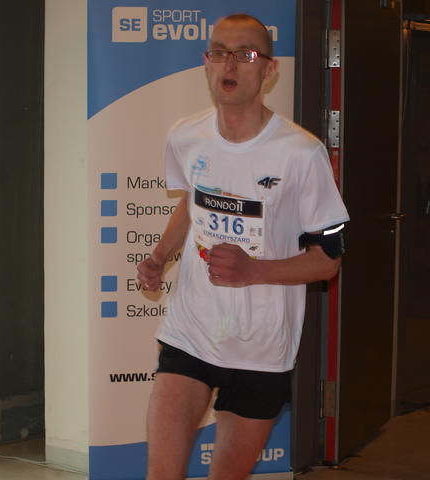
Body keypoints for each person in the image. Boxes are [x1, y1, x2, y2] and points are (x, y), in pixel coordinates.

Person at [137, 13, 349, 480]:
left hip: (261, 350)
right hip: (190, 334)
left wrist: (253, 271)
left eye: (245, 54)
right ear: (206, 63)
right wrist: (158, 257)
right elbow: (192, 202)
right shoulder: (186, 136)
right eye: (219, 53)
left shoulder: (302, 153)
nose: (229, 64)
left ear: (269, 70)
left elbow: (327, 262)